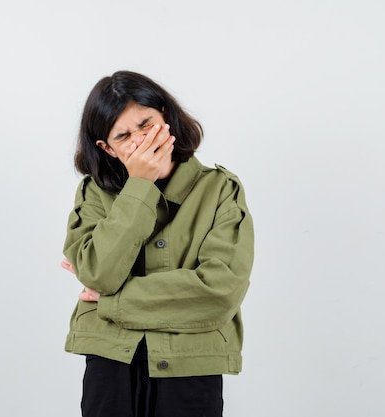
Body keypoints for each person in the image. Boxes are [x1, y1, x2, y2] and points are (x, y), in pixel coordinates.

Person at [61, 70, 254, 417]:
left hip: (191, 367)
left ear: (165, 116)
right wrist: (139, 186)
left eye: (146, 124)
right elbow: (98, 273)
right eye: (123, 135)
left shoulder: (221, 189)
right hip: (110, 364)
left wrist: (111, 301)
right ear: (107, 148)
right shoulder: (93, 193)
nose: (140, 140)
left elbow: (219, 291)